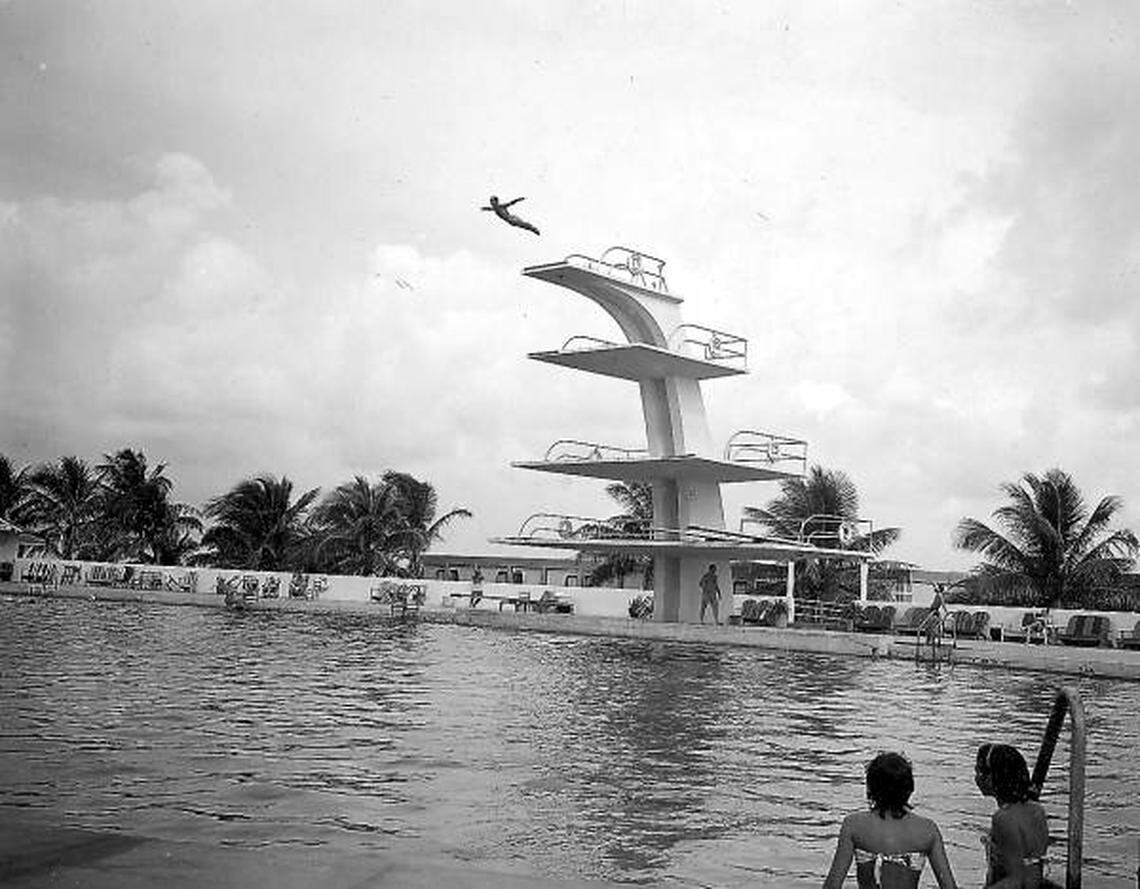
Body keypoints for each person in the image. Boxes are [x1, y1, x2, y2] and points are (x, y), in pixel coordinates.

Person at [823, 752, 958, 889]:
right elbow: (949, 886)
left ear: (871, 788)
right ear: (909, 788)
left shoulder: (854, 825)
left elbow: (832, 885)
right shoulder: (927, 830)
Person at [976, 744, 1054, 888]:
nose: (976, 777)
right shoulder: (1037, 810)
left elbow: (1015, 881)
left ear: (991, 777)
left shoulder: (1003, 818)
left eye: (979, 771)